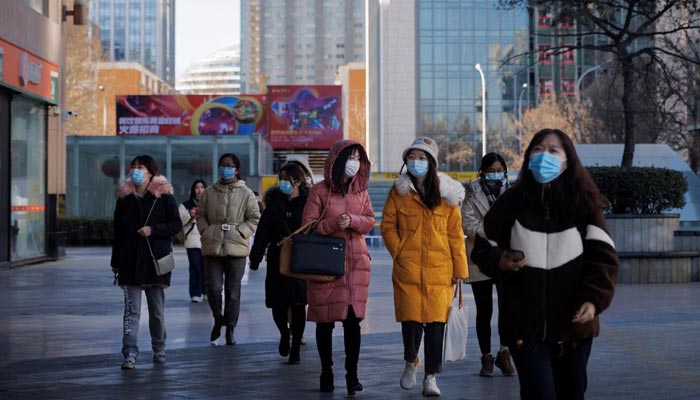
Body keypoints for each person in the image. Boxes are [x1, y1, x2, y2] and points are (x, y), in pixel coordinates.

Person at [472, 129, 619, 400]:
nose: (544, 156)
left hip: (574, 326)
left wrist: (594, 299)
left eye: (553, 150)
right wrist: (500, 261)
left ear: (567, 160)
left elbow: (604, 257)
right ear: (528, 158)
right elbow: (482, 246)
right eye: (538, 149)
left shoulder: (585, 204)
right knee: (538, 393)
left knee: (571, 393)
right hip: (523, 325)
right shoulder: (511, 202)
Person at [380, 136, 468, 397]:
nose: (416, 162)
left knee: (436, 326)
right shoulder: (399, 192)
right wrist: (399, 251)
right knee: (411, 322)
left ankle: (430, 377)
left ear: (431, 162)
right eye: (412, 157)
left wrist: (460, 271)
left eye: (422, 157)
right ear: (406, 161)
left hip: (440, 271)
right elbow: (387, 226)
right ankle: (410, 362)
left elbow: (455, 234)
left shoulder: (447, 196)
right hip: (408, 269)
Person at [301, 140, 375, 396]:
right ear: (337, 160)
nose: (354, 162)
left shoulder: (361, 191)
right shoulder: (319, 191)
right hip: (325, 265)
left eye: (358, 157)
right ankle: (326, 371)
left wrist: (352, 220)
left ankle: (352, 376)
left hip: (356, 266)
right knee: (325, 322)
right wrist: (332, 224)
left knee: (353, 323)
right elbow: (308, 226)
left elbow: (370, 221)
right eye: (350, 156)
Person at [111, 155, 182, 370]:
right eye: (133, 167)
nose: (135, 170)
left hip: (155, 260)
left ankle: (159, 348)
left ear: (150, 172)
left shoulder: (164, 197)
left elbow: (175, 225)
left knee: (156, 309)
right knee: (131, 311)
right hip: (130, 260)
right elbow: (118, 232)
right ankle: (129, 353)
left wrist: (153, 230)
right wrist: (115, 262)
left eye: (140, 167)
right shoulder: (124, 198)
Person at [461, 153, 516, 377]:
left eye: (499, 169)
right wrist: (492, 232)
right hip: (481, 259)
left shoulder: (513, 192)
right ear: (482, 172)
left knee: (507, 310)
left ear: (504, 170)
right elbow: (467, 223)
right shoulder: (471, 192)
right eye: (491, 170)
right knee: (484, 310)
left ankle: (505, 354)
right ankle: (486, 358)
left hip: (507, 259)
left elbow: (519, 221)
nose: (495, 174)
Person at [196, 153, 260, 346]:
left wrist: (241, 232)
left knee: (233, 291)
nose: (225, 168)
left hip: (237, 248)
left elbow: (254, 217)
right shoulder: (209, 192)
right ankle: (218, 317)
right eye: (223, 165)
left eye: (229, 165)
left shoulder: (246, 193)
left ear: (236, 170)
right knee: (213, 288)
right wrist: (206, 231)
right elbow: (200, 215)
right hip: (213, 246)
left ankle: (230, 328)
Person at [249, 162, 310, 364]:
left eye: (287, 179)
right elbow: (262, 234)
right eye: (281, 179)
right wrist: (255, 258)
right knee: (277, 303)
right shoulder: (273, 205)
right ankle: (284, 332)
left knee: (298, 303)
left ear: (298, 181)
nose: (283, 182)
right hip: (276, 259)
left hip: (300, 260)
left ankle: (295, 348)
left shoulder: (308, 204)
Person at [179, 179, 207, 303]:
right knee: (195, 266)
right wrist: (190, 215)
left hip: (207, 240)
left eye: (202, 187)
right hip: (193, 240)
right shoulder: (185, 205)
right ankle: (195, 293)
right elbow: (180, 221)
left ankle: (206, 291)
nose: (199, 190)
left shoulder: (210, 204)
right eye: (197, 187)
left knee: (207, 267)